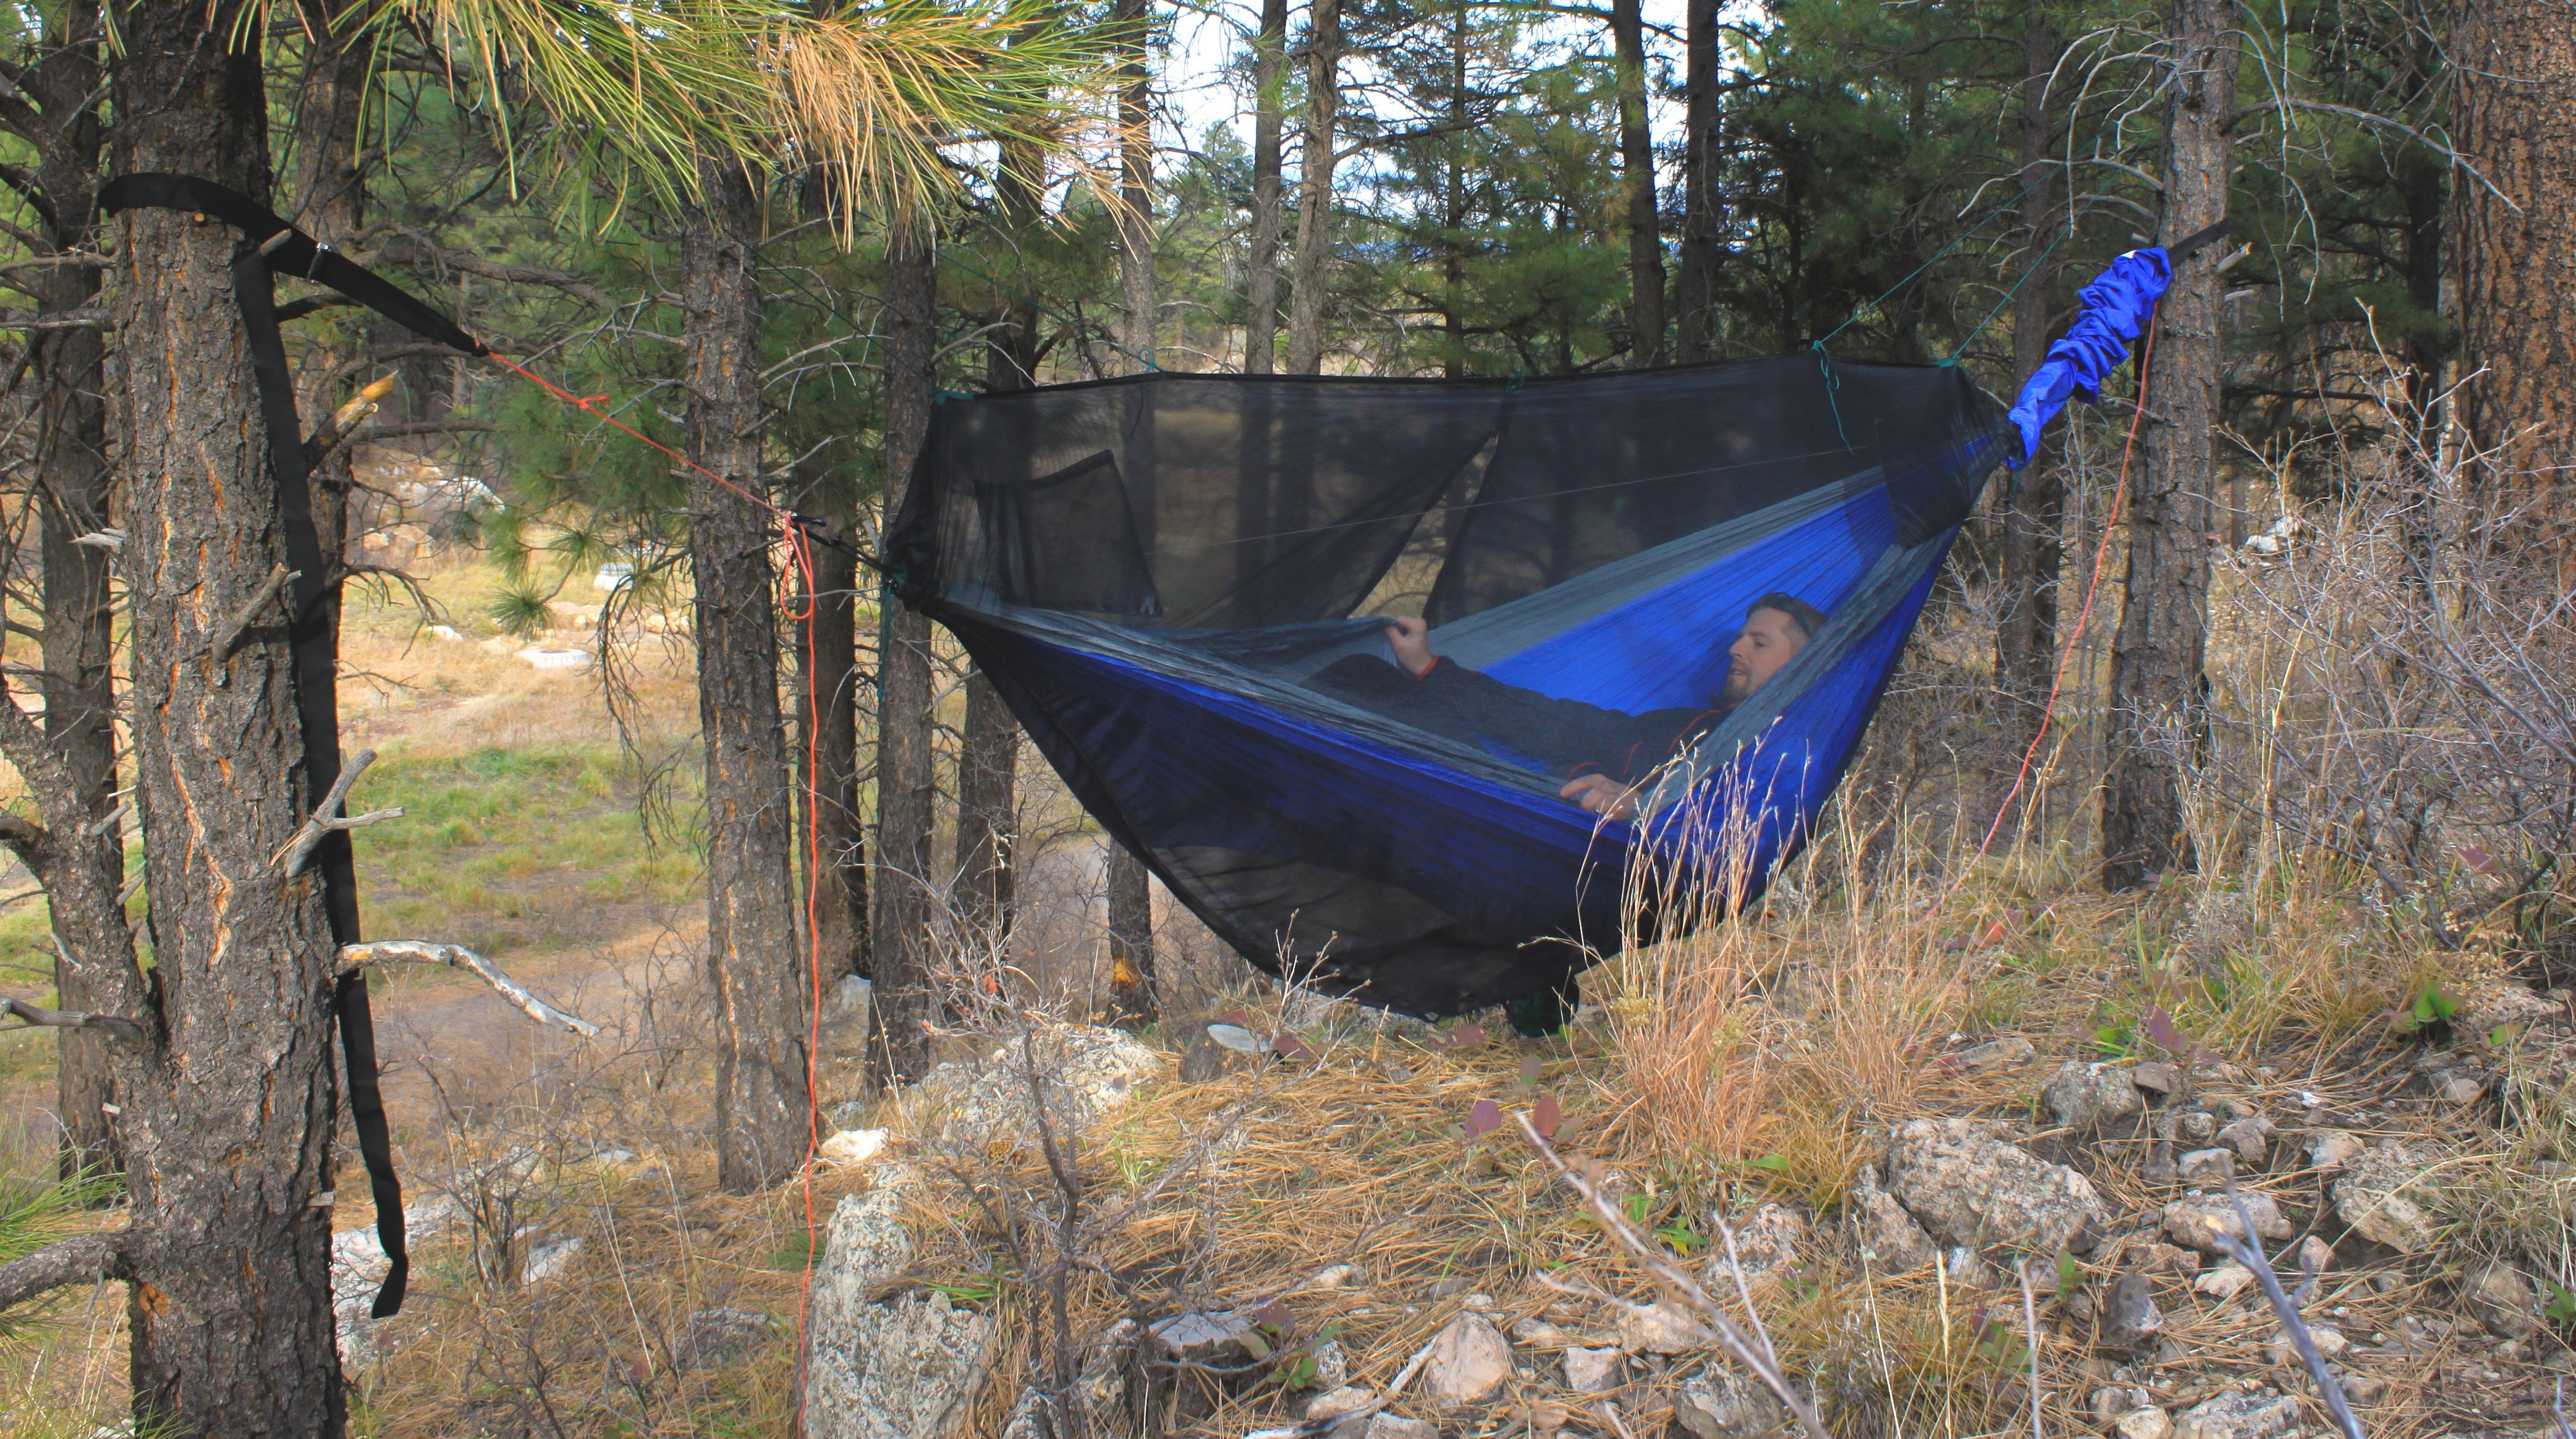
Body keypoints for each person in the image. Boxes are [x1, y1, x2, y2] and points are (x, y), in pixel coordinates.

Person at [1308, 593, 1824, 820]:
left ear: (1805, 664)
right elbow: (1553, 724)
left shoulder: (1799, 755)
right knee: (1367, 677)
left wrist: (1651, 808)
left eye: (1759, 643)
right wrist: (1428, 666)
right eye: (1740, 637)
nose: (1735, 649)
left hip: (1589, 857)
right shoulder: (1684, 726)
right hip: (1525, 805)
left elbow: (1746, 833)